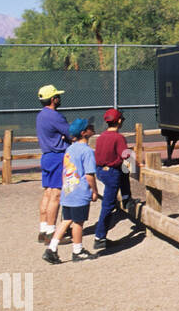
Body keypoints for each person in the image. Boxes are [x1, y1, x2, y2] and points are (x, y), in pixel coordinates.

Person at [43, 118, 99, 264]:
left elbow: (65, 171)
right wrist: (94, 191)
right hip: (80, 192)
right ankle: (78, 250)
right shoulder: (87, 151)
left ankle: (51, 248)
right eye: (89, 127)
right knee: (78, 222)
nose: (92, 128)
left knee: (66, 220)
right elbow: (89, 175)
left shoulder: (69, 149)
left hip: (68, 190)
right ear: (84, 133)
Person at [93, 108, 133, 250]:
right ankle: (99, 237)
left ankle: (127, 198)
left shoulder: (101, 137)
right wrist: (131, 153)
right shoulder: (118, 137)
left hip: (100, 170)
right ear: (119, 121)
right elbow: (125, 155)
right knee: (108, 205)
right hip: (111, 172)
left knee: (124, 171)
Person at [36, 84, 71, 244]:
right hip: (57, 157)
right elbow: (71, 133)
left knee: (48, 193)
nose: (59, 98)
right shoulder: (55, 115)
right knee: (56, 194)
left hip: (46, 156)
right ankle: (52, 232)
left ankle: (43, 229)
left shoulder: (41, 115)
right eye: (57, 96)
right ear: (53, 99)